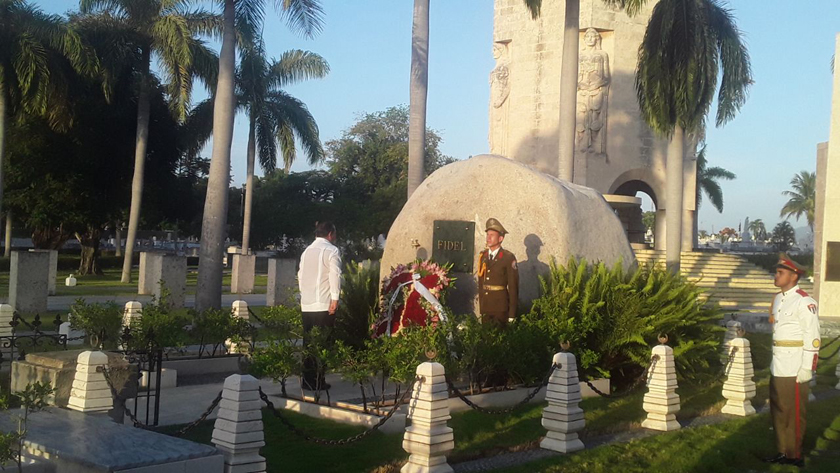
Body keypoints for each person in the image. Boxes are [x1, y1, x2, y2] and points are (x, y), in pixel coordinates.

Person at [764, 254, 820, 467]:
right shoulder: (779, 298)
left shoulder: (805, 301)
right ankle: (782, 450)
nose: (776, 276)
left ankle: (795, 454)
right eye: (777, 272)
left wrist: (807, 367)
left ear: (794, 276)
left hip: (795, 364)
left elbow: (812, 336)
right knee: (779, 409)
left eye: (780, 273)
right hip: (778, 362)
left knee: (794, 412)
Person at [298, 221, 341, 391]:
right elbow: (335, 275)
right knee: (323, 342)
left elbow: (300, 276)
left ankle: (308, 380)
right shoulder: (331, 250)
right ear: (330, 234)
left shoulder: (306, 251)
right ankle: (318, 380)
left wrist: (304, 295)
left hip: (307, 303)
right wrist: (335, 299)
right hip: (324, 303)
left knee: (308, 342)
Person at [477, 218, 519, 328]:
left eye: (492, 235)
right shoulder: (483, 256)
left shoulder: (507, 257)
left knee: (500, 340)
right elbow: (481, 284)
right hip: (486, 307)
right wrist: (482, 308)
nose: (488, 238)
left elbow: (513, 286)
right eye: (487, 235)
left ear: (500, 238)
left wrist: (512, 314)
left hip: (500, 307)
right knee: (486, 339)